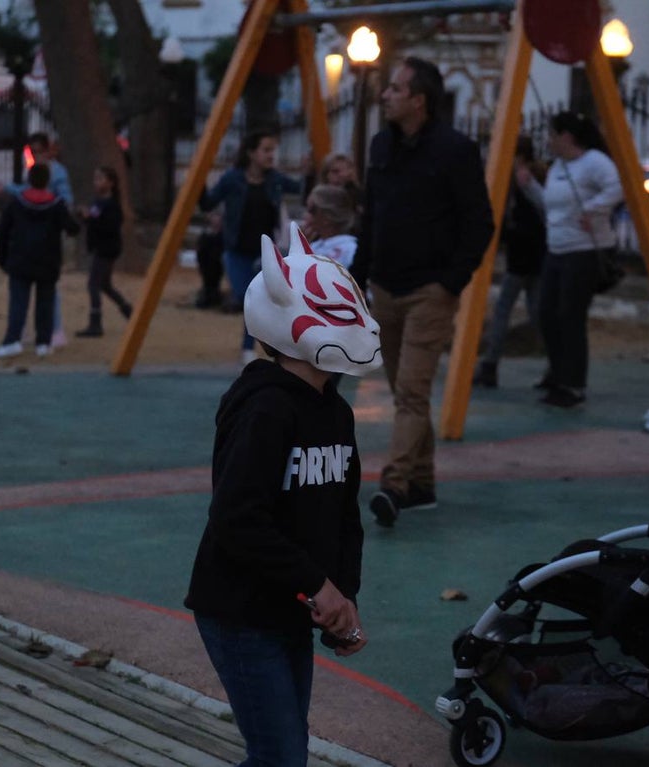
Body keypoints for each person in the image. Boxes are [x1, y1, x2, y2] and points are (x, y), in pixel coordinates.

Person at [185, 223, 379, 766]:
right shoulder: (265, 408)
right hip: (241, 612)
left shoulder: (336, 411)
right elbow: (238, 518)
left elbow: (344, 513)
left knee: (283, 748)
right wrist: (320, 586)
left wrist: (344, 595)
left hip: (293, 609)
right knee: (281, 753)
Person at [350, 56, 494, 527]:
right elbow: (372, 214)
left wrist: (451, 281)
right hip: (386, 286)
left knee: (412, 392)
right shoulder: (381, 146)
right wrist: (359, 275)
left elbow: (480, 223)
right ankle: (422, 485)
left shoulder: (455, 151)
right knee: (402, 391)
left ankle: (393, 485)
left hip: (430, 290)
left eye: (395, 89)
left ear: (419, 100)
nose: (385, 95)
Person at [535, 111, 623, 409]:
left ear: (566, 137)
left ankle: (572, 384)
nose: (548, 140)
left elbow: (617, 188)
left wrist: (593, 209)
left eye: (552, 134)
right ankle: (557, 371)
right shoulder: (558, 166)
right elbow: (551, 205)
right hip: (556, 250)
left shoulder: (594, 162)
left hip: (583, 251)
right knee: (545, 312)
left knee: (569, 316)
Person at [200, 130, 303, 365]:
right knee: (246, 296)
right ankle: (252, 347)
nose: (271, 155)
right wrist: (199, 182)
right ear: (251, 153)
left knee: (262, 299)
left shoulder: (275, 179)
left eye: (273, 151)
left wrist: (310, 173)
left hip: (265, 253)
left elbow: (301, 190)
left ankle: (252, 349)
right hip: (236, 250)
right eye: (266, 150)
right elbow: (208, 202)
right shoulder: (232, 179)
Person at [475, 135, 548, 389]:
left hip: (531, 255)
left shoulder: (528, 179)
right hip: (524, 255)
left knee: (527, 312)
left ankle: (491, 365)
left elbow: (541, 212)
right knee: (520, 312)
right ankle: (490, 364)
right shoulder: (514, 181)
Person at [0, 163, 80, 359]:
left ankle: (13, 340)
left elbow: (3, 230)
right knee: (45, 303)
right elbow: (72, 229)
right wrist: (81, 218)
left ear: (28, 180)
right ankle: (43, 343)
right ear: (48, 181)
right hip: (48, 261)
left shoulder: (17, 202)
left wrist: (2, 256)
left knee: (18, 303)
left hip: (20, 259)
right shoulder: (56, 204)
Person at [75, 166, 132, 337]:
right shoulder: (98, 203)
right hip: (101, 247)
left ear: (111, 183)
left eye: (101, 179)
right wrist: (84, 217)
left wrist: (90, 219)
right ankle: (128, 310)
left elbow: (109, 227)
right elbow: (92, 223)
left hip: (106, 248)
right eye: (96, 179)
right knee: (104, 285)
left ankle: (95, 322)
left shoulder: (112, 206)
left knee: (94, 284)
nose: (97, 182)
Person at [302, 183, 357, 269]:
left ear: (327, 217)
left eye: (311, 211)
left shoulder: (350, 249)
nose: (305, 215)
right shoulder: (314, 245)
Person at [194, 209, 226, 310]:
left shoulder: (224, 237)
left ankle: (213, 294)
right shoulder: (205, 236)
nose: (216, 220)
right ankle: (208, 294)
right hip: (207, 266)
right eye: (214, 216)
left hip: (218, 264)